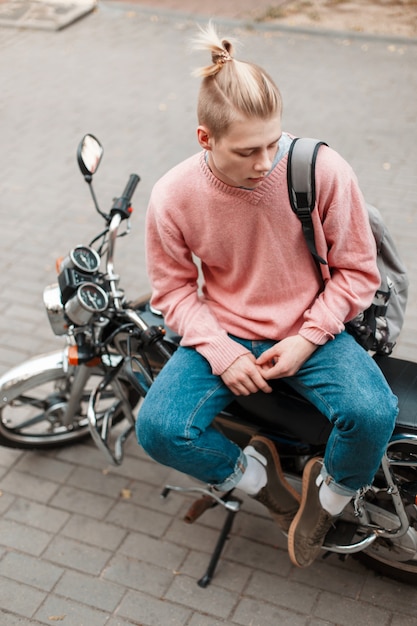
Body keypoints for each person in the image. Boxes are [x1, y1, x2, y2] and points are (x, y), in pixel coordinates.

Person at [136, 22, 398, 568]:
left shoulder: (322, 170)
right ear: (204, 139)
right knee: (159, 429)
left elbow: (357, 274)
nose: (264, 162)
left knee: (374, 414)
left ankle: (323, 503)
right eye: (248, 150)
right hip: (225, 328)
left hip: (312, 327)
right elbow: (175, 291)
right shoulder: (172, 197)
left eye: (273, 143)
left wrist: (307, 339)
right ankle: (264, 485)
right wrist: (221, 349)